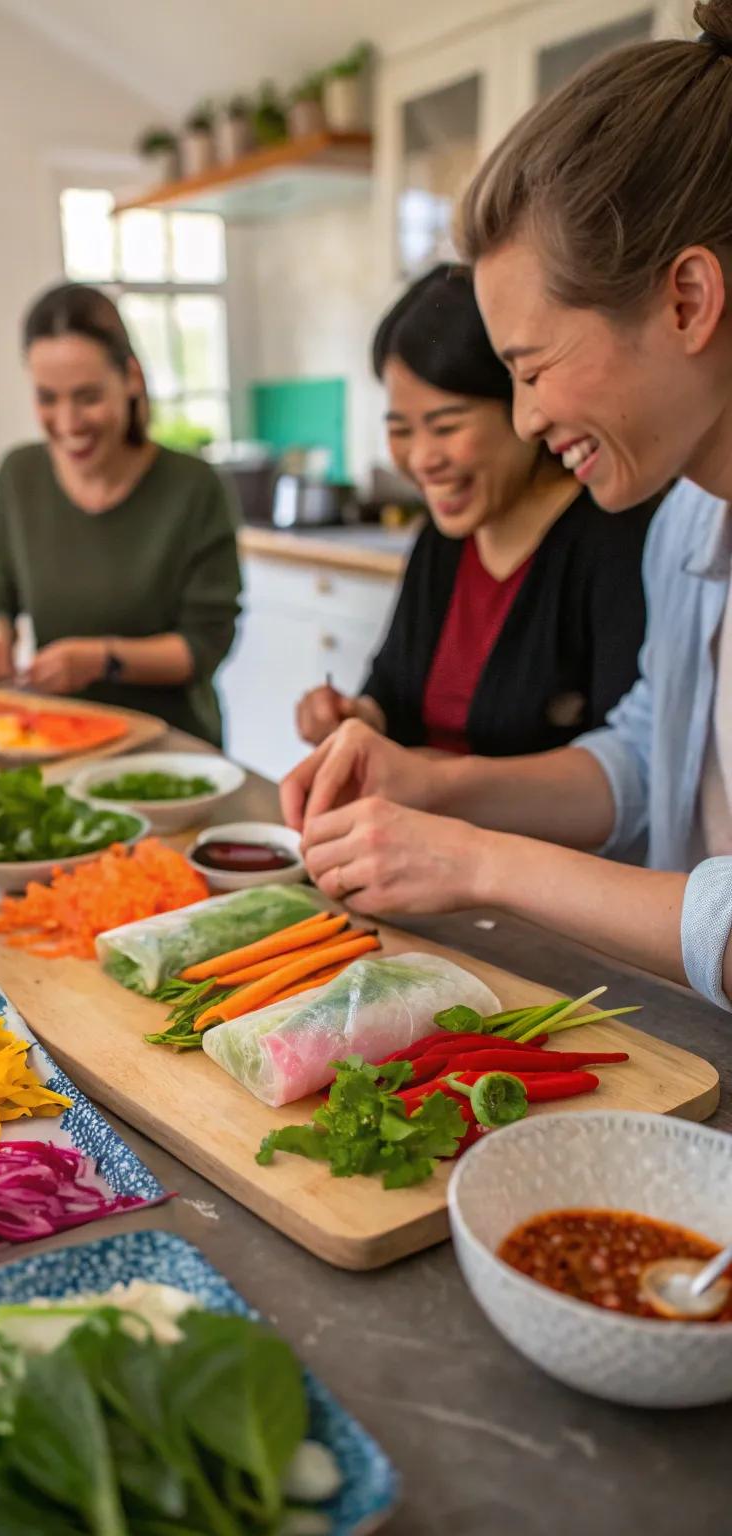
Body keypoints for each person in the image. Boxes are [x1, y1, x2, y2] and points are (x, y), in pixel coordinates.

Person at [281, 2, 732, 1012]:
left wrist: (478, 861)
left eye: (530, 369)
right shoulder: (688, 527)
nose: (523, 419)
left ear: (688, 302)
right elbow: (642, 760)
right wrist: (427, 785)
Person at [296, 266, 653, 755]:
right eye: (400, 430)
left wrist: (430, 779)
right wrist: (357, 718)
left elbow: (625, 775)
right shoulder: (441, 539)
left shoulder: (614, 540)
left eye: (446, 427)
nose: (421, 459)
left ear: (523, 403)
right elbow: (393, 692)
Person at [0, 283, 241, 746]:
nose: (68, 422)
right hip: (58, 743)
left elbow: (204, 646)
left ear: (131, 378)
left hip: (172, 749)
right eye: (47, 398)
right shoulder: (19, 476)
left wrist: (101, 660)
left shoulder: (194, 488)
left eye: (88, 396)